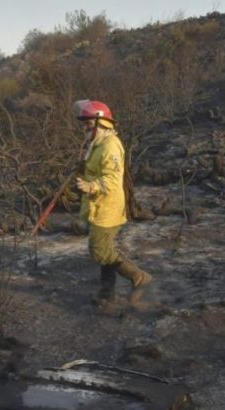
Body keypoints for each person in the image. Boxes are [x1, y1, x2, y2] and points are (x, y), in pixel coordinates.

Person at [72, 99, 152, 312]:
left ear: (100, 123)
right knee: (104, 249)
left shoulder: (110, 145)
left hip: (108, 208)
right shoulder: (96, 143)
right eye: (84, 124)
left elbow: (112, 178)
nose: (84, 127)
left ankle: (138, 276)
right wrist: (83, 168)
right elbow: (96, 169)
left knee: (99, 250)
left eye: (88, 123)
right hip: (97, 206)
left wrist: (91, 185)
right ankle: (107, 295)